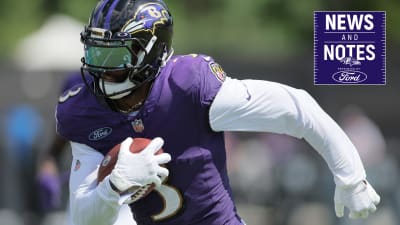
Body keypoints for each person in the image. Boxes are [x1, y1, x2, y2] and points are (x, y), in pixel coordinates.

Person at [55, 0, 381, 224]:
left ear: (149, 51)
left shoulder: (188, 87)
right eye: (95, 53)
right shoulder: (85, 111)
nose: (100, 71)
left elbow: (296, 107)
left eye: (113, 58)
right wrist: (112, 187)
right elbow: (83, 218)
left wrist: (351, 177)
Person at [38, 73, 136, 225]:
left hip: (136, 187)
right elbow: (58, 141)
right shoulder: (76, 82)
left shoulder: (149, 79)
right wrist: (48, 167)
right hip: (90, 185)